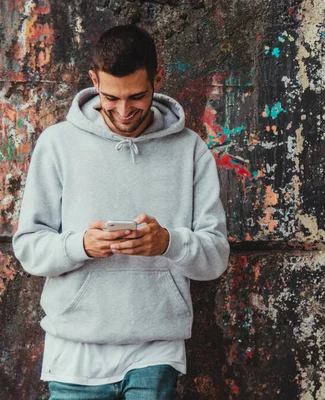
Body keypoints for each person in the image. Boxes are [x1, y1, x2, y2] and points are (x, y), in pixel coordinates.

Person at [12, 24, 229, 399]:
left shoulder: (190, 150)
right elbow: (29, 248)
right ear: (94, 80)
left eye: (138, 96)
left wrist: (169, 243)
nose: (124, 111)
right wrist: (81, 245)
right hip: (74, 348)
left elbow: (215, 258)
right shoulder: (58, 144)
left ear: (158, 79)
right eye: (111, 97)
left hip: (155, 345)